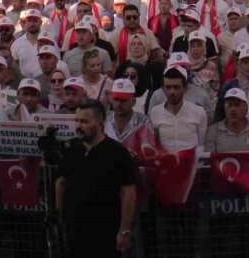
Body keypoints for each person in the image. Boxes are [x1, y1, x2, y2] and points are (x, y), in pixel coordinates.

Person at [56, 100, 136, 258]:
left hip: (106, 231)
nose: (79, 125)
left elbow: (128, 193)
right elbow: (61, 182)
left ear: (100, 123)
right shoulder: (69, 148)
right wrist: (58, 216)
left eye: (84, 121)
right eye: (77, 120)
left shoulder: (118, 153)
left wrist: (124, 229)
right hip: (74, 230)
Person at [148, 66, 207, 152]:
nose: (172, 92)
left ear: (184, 89)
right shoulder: (155, 112)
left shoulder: (198, 112)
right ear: (163, 89)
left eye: (176, 87)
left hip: (191, 159)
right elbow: (154, 142)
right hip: (165, 159)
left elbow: (201, 143)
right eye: (168, 87)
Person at [204, 88, 249, 152]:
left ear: (245, 108)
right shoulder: (213, 131)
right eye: (229, 105)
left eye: (237, 105)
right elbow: (209, 156)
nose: (233, 109)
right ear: (224, 107)